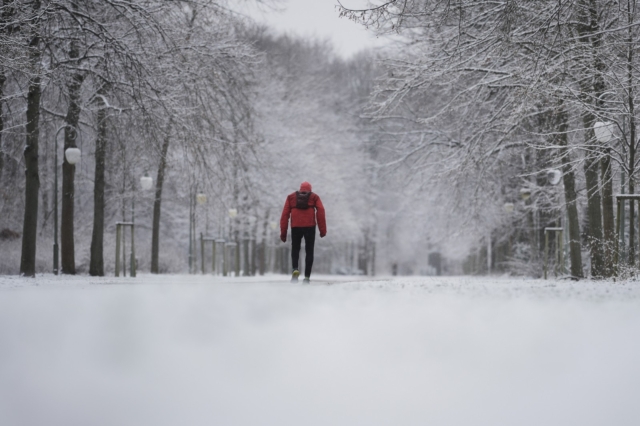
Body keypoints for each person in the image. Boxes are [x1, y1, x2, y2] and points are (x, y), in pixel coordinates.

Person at [280, 181, 326, 283]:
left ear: (300, 189)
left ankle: (295, 269)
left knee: (295, 249)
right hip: (310, 226)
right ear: (310, 189)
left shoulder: (291, 197)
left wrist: (283, 232)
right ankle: (307, 277)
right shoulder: (314, 197)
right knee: (309, 251)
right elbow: (321, 210)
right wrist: (322, 230)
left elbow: (285, 215)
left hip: (296, 226)